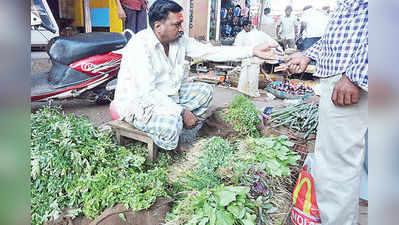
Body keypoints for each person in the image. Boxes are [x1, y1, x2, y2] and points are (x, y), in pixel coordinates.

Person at [112, 0, 279, 151]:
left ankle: (182, 131)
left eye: (181, 23)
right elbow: (147, 93)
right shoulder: (140, 47)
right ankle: (174, 148)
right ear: (158, 26)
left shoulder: (178, 40)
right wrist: (181, 112)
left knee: (205, 91)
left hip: (167, 96)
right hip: (140, 104)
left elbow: (210, 51)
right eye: (177, 24)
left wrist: (251, 51)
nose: (181, 29)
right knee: (172, 124)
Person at [287, 0, 368, 224]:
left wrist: (356, 76)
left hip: (351, 77)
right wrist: (308, 55)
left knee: (335, 168)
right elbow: (343, 32)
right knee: (343, 162)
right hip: (346, 72)